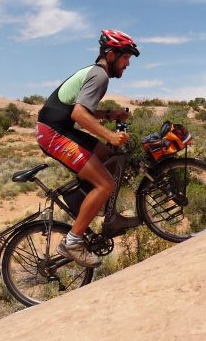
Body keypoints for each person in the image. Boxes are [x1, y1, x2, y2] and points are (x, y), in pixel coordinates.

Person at [36, 29, 141, 268]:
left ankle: (106, 214)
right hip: (53, 134)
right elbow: (79, 114)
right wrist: (110, 135)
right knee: (106, 182)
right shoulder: (100, 76)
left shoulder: (95, 73)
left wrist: (110, 114)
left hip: (58, 129)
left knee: (110, 157)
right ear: (112, 54)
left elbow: (83, 108)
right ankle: (72, 242)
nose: (127, 64)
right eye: (126, 58)